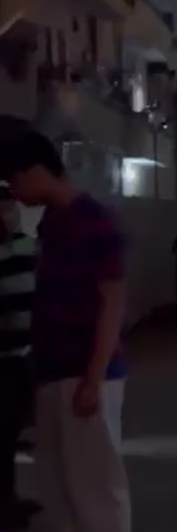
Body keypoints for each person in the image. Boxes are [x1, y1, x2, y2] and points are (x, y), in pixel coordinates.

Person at [3, 132, 131, 532]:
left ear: (36, 171)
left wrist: (94, 377)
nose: (14, 194)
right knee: (59, 487)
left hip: (84, 372)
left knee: (95, 489)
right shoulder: (52, 222)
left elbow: (112, 301)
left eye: (14, 181)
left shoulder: (92, 218)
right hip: (52, 371)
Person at [0, 184, 39, 529]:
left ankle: (9, 498)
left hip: (23, 355)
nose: (8, 213)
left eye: (10, 207)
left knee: (12, 431)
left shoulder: (25, 243)